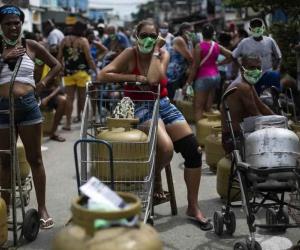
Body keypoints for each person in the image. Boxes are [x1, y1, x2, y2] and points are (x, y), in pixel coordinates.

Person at [98, 20, 212, 231]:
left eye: (153, 36)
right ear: (136, 36)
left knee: (193, 151)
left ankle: (193, 206)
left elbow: (152, 79)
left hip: (163, 103)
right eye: (144, 35)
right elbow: (102, 74)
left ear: (159, 37)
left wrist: (156, 51)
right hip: (138, 107)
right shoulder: (129, 54)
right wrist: (132, 77)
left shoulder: (163, 54)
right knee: (166, 148)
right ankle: (149, 183)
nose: (148, 39)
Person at [0, 5, 61, 229]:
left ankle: (42, 207)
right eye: (8, 23)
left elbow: (56, 65)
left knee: (35, 159)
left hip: (28, 107)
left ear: (21, 24)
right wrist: (4, 55)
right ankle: (3, 209)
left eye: (16, 23)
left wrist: (42, 84)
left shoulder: (31, 46)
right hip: (2, 109)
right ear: (1, 25)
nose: (13, 27)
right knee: (5, 161)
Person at [221, 54, 274, 154]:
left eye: (258, 68)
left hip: (241, 133)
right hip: (233, 138)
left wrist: (278, 118)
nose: (256, 71)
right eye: (252, 67)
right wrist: (276, 127)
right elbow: (257, 115)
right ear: (242, 69)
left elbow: (261, 105)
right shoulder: (242, 86)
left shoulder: (248, 83)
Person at [186, 24, 232, 121]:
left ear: (202, 34)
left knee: (198, 107)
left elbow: (195, 66)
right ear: (213, 34)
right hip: (216, 76)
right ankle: (209, 131)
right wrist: (219, 64)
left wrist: (188, 82)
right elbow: (231, 55)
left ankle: (200, 133)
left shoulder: (199, 46)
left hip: (203, 78)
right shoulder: (217, 46)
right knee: (208, 106)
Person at [57, 21, 97, 129]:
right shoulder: (83, 41)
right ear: (83, 30)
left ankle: (68, 123)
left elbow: (59, 57)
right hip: (82, 74)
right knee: (83, 98)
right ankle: (85, 123)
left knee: (70, 98)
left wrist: (61, 70)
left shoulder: (64, 40)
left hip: (68, 73)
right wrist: (96, 71)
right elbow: (89, 59)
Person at [232, 18, 282, 95]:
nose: (257, 29)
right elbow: (234, 56)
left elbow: (278, 57)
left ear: (263, 28)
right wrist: (241, 68)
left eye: (259, 26)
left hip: (266, 73)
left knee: (275, 78)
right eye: (254, 27)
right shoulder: (244, 42)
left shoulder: (270, 41)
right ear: (250, 29)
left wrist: (276, 67)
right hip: (250, 75)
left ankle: (277, 100)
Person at [166, 22, 194, 101]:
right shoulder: (179, 40)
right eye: (191, 31)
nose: (192, 33)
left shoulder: (187, 41)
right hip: (173, 74)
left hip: (180, 73)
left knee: (178, 98)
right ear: (184, 31)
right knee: (173, 99)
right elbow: (190, 58)